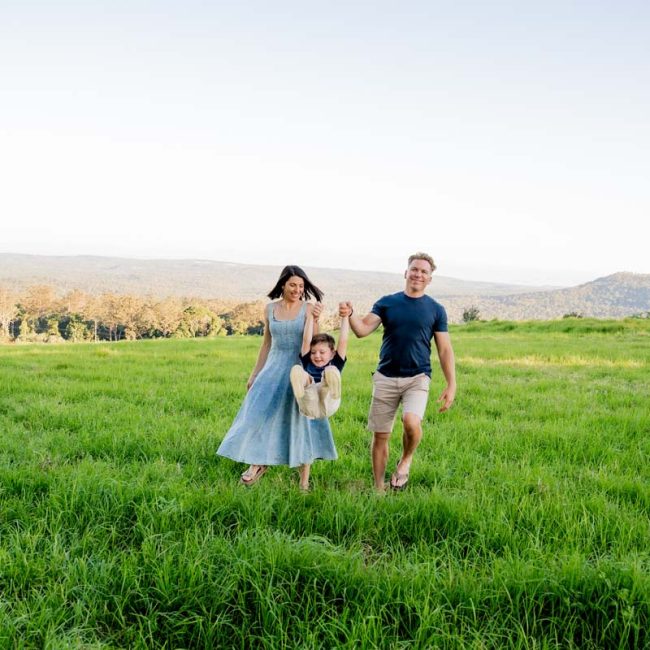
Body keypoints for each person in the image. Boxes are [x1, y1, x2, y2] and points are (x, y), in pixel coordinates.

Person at [339, 252, 456, 492]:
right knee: (380, 436)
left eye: (424, 271)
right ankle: (379, 488)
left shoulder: (436, 309)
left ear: (430, 279)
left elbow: (444, 349)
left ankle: (405, 460)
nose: (418, 274)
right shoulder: (387, 303)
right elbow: (362, 330)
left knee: (411, 421)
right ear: (406, 272)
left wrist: (451, 384)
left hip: (418, 377)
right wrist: (350, 316)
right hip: (385, 377)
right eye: (414, 269)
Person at [217, 265, 337, 491]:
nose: (297, 289)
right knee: (257, 414)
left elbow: (315, 343)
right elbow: (266, 344)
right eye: (293, 285)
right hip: (272, 368)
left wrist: (317, 321)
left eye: (301, 286)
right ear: (283, 284)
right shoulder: (270, 309)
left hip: (300, 371)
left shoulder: (309, 308)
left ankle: (304, 483)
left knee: (303, 421)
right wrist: (255, 373)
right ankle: (258, 463)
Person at [289, 306, 349, 419]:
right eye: (313, 352)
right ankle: (299, 387)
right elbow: (306, 340)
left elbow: (343, 340)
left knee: (331, 371)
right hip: (309, 406)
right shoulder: (307, 361)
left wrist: (345, 317)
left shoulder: (336, 362)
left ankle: (333, 387)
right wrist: (311, 316)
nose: (317, 356)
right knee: (299, 371)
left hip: (329, 404)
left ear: (332, 353)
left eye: (322, 352)